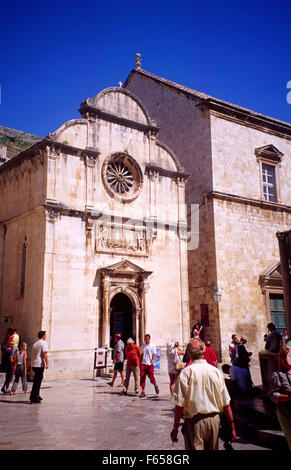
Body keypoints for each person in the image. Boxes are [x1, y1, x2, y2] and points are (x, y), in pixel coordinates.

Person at [170, 338, 237, 450]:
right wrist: (232, 426)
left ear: (189, 353)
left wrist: (175, 427)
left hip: (195, 422)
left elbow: (179, 404)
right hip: (214, 422)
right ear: (204, 351)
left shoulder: (186, 373)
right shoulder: (216, 372)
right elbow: (226, 403)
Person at [269, 346, 291, 449]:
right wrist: (288, 397)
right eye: (285, 356)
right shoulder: (277, 375)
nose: (288, 359)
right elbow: (272, 395)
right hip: (286, 413)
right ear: (281, 358)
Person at [29, 331, 48, 404]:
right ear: (43, 336)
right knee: (37, 381)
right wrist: (47, 363)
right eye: (45, 335)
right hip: (39, 364)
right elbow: (44, 354)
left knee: (37, 380)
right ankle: (33, 398)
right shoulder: (43, 343)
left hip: (34, 364)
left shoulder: (35, 343)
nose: (45, 336)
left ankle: (37, 395)